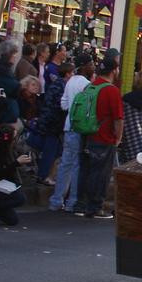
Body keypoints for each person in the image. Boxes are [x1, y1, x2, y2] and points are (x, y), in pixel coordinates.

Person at [72, 55, 122, 219]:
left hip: (86, 135)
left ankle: (80, 204)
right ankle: (95, 207)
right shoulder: (112, 90)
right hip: (104, 137)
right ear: (114, 70)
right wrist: (118, 138)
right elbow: (118, 119)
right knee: (100, 174)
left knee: (85, 170)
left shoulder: (90, 87)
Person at [50, 54, 94, 213]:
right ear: (85, 66)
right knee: (77, 165)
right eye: (91, 64)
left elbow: (63, 104)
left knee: (65, 163)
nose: (93, 66)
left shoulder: (69, 82)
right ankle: (72, 201)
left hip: (68, 126)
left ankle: (56, 200)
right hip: (80, 128)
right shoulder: (88, 84)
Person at [33, 62, 73, 185]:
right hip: (53, 123)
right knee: (50, 150)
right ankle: (44, 176)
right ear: (67, 74)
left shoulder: (58, 85)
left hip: (51, 122)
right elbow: (60, 105)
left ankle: (48, 175)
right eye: (72, 73)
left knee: (54, 150)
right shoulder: (61, 86)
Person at [0, 39, 22, 128]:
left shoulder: (5, 68)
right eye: (14, 54)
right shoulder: (0, 69)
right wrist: (20, 86)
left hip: (8, 113)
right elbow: (13, 88)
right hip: (4, 114)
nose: (15, 57)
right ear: (7, 55)